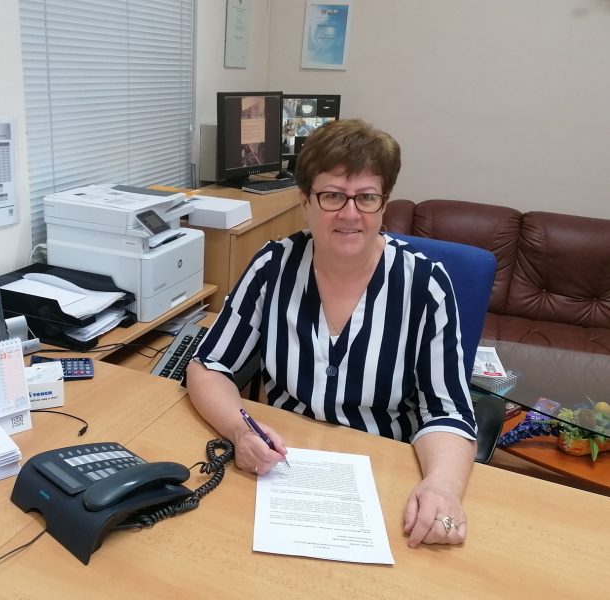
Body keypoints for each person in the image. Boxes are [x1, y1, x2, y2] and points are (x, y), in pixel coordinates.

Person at [187, 119, 477, 549]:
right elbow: (209, 366)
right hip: (279, 474)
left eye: (367, 197)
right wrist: (239, 430)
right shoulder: (273, 267)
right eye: (333, 196)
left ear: (384, 204)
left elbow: (449, 411)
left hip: (387, 486)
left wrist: (442, 486)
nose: (350, 213)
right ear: (305, 200)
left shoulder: (424, 285)